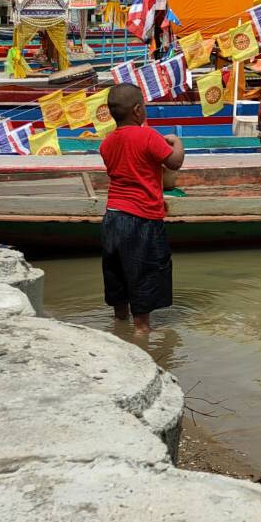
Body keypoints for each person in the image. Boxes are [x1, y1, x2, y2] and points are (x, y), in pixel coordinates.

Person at [98, 82, 185, 334]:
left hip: (112, 218)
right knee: (143, 276)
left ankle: (120, 325)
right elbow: (174, 162)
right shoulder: (148, 136)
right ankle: (141, 333)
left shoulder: (106, 143)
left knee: (117, 275)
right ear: (138, 110)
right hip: (141, 219)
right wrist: (175, 141)